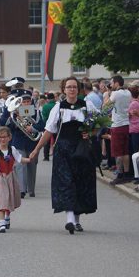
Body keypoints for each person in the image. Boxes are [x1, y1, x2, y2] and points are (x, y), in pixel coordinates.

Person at [30, 76, 98, 234]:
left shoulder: (87, 105)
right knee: (66, 182)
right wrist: (37, 149)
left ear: (78, 89)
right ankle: (69, 220)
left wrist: (91, 132)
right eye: (69, 87)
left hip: (82, 149)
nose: (72, 90)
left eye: (74, 87)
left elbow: (99, 123)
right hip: (63, 150)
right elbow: (49, 131)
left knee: (81, 183)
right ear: (64, 90)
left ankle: (77, 220)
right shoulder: (58, 107)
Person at [0, 88, 43, 198]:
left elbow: (42, 124)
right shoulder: (14, 112)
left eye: (28, 101)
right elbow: (4, 124)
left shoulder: (36, 111)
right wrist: (15, 119)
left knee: (32, 166)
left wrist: (32, 128)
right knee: (20, 165)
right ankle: (21, 190)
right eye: (24, 101)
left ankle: (31, 189)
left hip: (32, 142)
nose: (26, 103)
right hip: (18, 142)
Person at [0, 127, 30, 233]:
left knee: (10, 198)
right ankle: (1, 223)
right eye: (0, 137)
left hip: (11, 177)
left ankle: (7, 216)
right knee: (2, 198)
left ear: (9, 137)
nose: (3, 139)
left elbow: (19, 159)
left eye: (5, 137)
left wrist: (29, 159)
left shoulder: (12, 150)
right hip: (1, 178)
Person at [105, 75, 132, 184]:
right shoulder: (128, 93)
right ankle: (127, 173)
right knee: (125, 150)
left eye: (112, 83)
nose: (111, 85)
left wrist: (108, 92)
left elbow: (106, 106)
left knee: (118, 152)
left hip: (117, 125)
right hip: (126, 124)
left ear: (116, 83)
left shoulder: (115, 93)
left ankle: (120, 175)